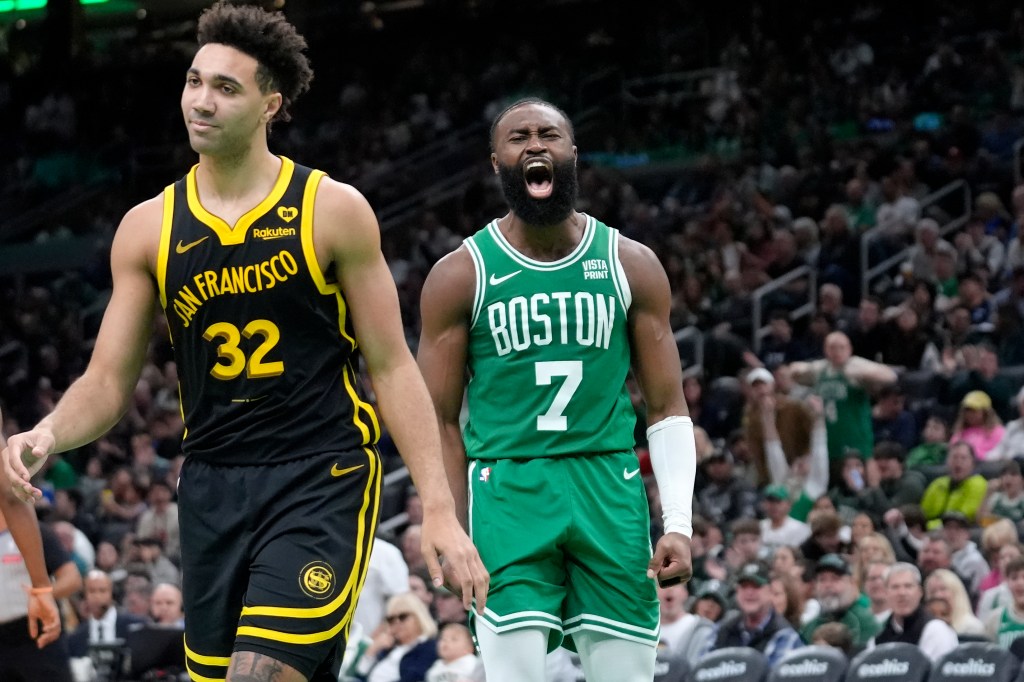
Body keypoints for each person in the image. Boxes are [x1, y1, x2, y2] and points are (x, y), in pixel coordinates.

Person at [1, 4, 486, 682]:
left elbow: (391, 364)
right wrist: (46, 433)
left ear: (270, 104)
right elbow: (108, 382)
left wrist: (438, 509)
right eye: (194, 81)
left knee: (255, 676)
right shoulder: (148, 230)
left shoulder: (331, 210)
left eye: (226, 88)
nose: (201, 101)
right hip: (211, 487)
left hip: (320, 473)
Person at [416, 98, 694, 682]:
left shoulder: (630, 263)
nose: (535, 145)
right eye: (519, 138)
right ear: (497, 161)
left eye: (549, 135)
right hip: (508, 488)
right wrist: (451, 525)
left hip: (608, 486)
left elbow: (667, 405)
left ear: (572, 152)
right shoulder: (461, 274)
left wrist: (679, 522)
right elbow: (434, 418)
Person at [790, 331, 898, 483]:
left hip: (854, 437)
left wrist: (861, 372)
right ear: (825, 349)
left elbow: (890, 376)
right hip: (829, 437)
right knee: (825, 482)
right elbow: (794, 370)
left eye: (841, 347)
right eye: (832, 348)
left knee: (857, 480)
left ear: (849, 349)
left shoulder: (855, 365)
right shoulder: (822, 369)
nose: (837, 352)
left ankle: (870, 499)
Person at [868, 562, 958, 662]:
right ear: (886, 593)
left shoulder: (936, 630)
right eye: (895, 587)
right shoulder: (878, 639)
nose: (902, 593)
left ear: (920, 592)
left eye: (908, 586)